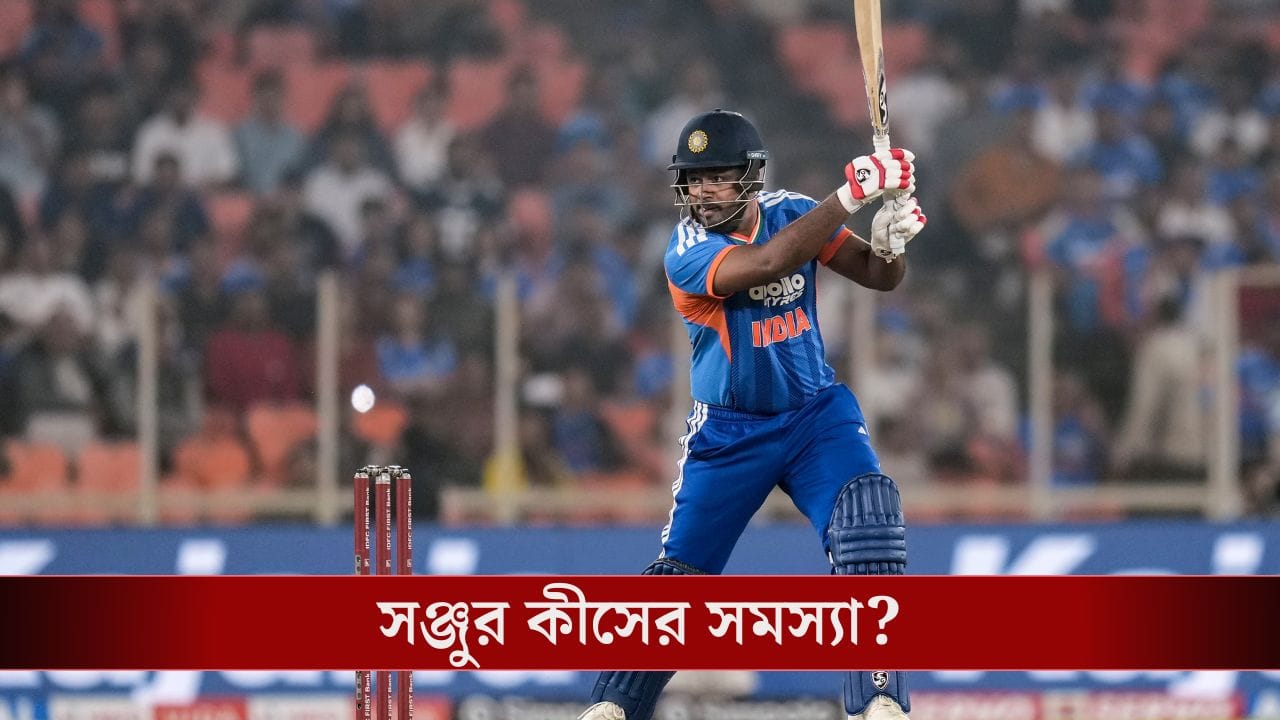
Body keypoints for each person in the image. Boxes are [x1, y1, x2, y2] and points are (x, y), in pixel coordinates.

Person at [577, 108, 926, 720]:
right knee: (681, 578)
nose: (703, 192)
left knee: (869, 517)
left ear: (751, 176)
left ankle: (878, 699)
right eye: (694, 179)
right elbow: (767, 264)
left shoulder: (795, 211)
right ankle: (613, 706)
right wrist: (851, 195)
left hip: (815, 415)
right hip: (729, 432)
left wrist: (890, 244)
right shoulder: (686, 250)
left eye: (718, 176)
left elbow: (878, 276)